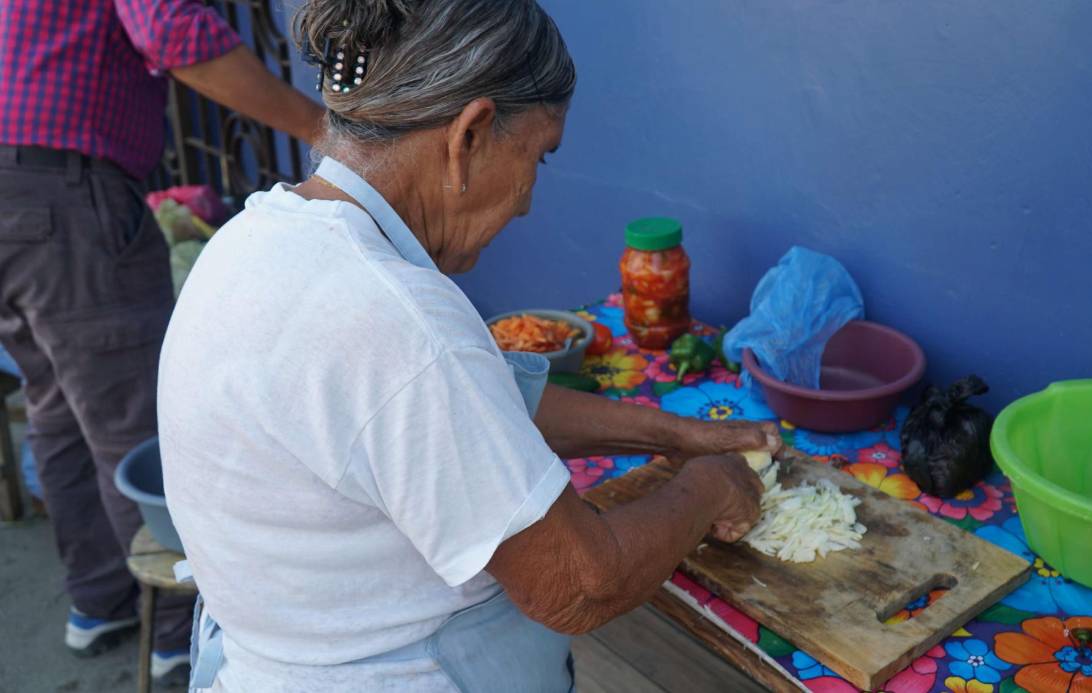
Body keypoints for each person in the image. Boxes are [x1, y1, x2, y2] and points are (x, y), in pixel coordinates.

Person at [156, 1, 777, 690]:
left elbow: (471, 415)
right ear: (471, 135)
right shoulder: (394, 318)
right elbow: (579, 584)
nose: (528, 201)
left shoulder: (255, 238)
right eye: (538, 156)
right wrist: (705, 489)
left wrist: (675, 434)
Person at [0, 0, 324, 685]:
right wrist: (321, 128)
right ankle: (179, 633)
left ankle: (100, 601)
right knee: (138, 425)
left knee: (55, 405)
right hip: (61, 192)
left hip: (23, 190)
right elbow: (172, 27)